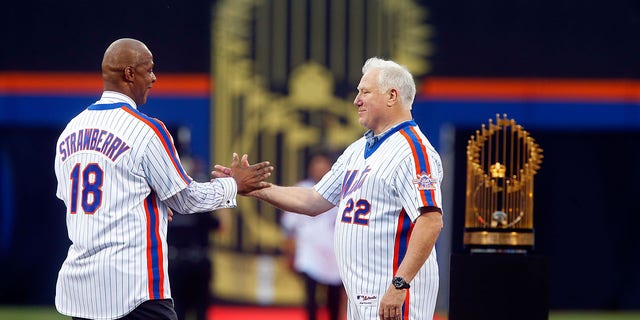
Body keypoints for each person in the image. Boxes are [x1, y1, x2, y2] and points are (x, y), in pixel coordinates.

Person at [53, 38, 273, 320]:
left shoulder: (70, 131)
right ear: (129, 74)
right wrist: (234, 184)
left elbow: (76, 200)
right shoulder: (146, 129)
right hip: (133, 289)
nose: (154, 77)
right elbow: (186, 199)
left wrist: (148, 206)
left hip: (82, 288)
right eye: (149, 69)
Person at [215, 57, 444, 320]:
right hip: (362, 292)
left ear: (392, 96)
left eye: (364, 92)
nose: (357, 100)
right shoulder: (358, 149)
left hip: (392, 291)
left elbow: (430, 220)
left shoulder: (414, 151)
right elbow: (313, 200)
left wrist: (400, 284)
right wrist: (254, 188)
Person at [280, 151, 346, 320]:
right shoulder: (301, 189)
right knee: (310, 298)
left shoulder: (342, 191)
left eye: (323, 165)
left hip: (334, 254)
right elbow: (289, 226)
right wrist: (289, 253)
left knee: (334, 300)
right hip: (309, 253)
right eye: (316, 165)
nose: (319, 169)